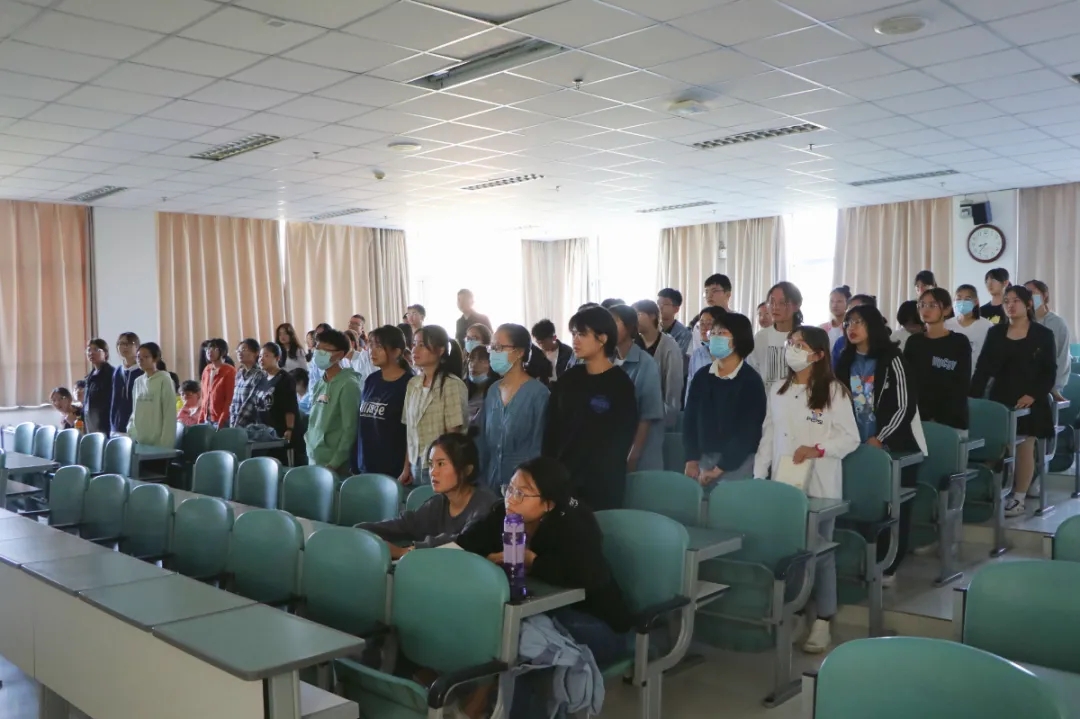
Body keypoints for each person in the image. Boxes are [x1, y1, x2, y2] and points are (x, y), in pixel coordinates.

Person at [456, 456, 633, 719]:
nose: (511, 498)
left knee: (525, 651)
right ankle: (484, 697)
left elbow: (588, 574)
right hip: (540, 614)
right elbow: (466, 543)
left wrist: (534, 561)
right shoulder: (504, 513)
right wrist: (487, 558)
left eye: (522, 492)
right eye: (510, 488)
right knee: (511, 637)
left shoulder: (575, 522)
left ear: (548, 503)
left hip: (598, 624)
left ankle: (485, 700)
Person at [753, 326, 859, 654]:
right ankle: (795, 611)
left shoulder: (834, 391)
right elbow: (769, 435)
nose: (793, 348)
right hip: (784, 484)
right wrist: (759, 477)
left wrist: (818, 449)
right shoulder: (778, 389)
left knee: (820, 552)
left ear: (818, 354)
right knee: (789, 550)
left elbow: (850, 437)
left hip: (820, 483)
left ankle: (824, 619)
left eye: (800, 344)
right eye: (791, 343)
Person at [837, 304, 927, 586]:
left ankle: (889, 563)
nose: (851, 328)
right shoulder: (844, 360)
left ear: (873, 326)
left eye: (859, 322)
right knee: (856, 504)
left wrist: (881, 437)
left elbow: (905, 406)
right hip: (855, 447)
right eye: (848, 322)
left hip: (895, 446)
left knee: (891, 507)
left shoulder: (892, 358)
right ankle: (856, 560)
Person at [971, 285, 1057, 517]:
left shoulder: (1043, 334)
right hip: (1001, 398)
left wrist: (1033, 395)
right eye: (1007, 301)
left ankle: (1019, 497)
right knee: (997, 446)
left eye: (1016, 300)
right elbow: (983, 369)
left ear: (1028, 304)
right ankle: (991, 490)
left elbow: (1049, 372)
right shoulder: (996, 333)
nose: (1010, 305)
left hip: (1031, 399)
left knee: (1024, 445)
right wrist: (972, 398)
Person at [544, 306, 638, 510]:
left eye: (582, 334)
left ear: (602, 338)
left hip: (601, 483)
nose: (575, 341)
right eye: (573, 334)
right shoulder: (569, 379)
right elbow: (551, 430)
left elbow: (622, 438)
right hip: (564, 478)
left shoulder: (620, 384)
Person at [359, 433, 496, 556]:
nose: (433, 472)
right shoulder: (438, 504)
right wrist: (361, 531)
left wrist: (403, 551)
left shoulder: (486, 505)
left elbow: (463, 542)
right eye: (431, 465)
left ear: (467, 470)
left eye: (441, 464)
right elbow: (405, 524)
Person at [684, 310, 766, 485]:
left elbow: (748, 431)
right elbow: (690, 420)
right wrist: (691, 458)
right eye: (713, 332)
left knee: (731, 501)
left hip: (738, 462)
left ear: (738, 339)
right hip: (703, 460)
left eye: (721, 333)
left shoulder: (750, 381)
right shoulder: (702, 376)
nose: (715, 337)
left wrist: (719, 468)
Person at [478, 324, 550, 489]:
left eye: (499, 347)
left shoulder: (538, 393)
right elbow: (483, 442)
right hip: (491, 482)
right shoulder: (493, 391)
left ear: (519, 352)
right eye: (492, 348)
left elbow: (539, 445)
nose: (493, 352)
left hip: (524, 486)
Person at [402, 325, 467, 487]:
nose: (415, 350)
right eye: (414, 344)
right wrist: (406, 467)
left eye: (422, 345)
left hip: (438, 466)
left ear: (440, 350)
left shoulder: (451, 384)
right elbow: (410, 430)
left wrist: (445, 469)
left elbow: (453, 436)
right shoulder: (413, 383)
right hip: (416, 463)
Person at [904, 289, 971, 431]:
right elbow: (907, 381)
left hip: (951, 419)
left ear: (946, 310)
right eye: (922, 305)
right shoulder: (914, 342)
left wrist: (938, 417)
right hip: (918, 417)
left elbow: (961, 385)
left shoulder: (959, 342)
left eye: (932, 305)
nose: (925, 309)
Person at [609, 304, 665, 472]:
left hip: (641, 454)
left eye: (615, 322)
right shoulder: (607, 361)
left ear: (629, 327)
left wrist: (633, 455)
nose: (609, 328)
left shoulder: (646, 364)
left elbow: (647, 416)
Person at [356, 325, 412, 478]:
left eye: (379, 347)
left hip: (393, 468)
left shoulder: (409, 384)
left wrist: (407, 467)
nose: (372, 351)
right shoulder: (371, 380)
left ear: (396, 351)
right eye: (371, 346)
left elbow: (411, 430)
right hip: (365, 464)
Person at [306, 329, 362, 475]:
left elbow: (350, 429)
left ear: (339, 354)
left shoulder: (348, 384)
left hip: (334, 463)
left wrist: (335, 462)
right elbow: (313, 421)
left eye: (324, 350)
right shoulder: (320, 383)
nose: (318, 353)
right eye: (317, 348)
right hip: (314, 457)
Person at [633, 299, 683, 429]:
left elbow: (673, 386)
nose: (634, 320)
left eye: (638, 314)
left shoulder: (669, 346)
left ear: (652, 316)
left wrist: (668, 418)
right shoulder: (632, 345)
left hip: (659, 418)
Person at [750, 281, 804, 388]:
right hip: (767, 397)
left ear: (796, 306)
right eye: (771, 302)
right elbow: (754, 371)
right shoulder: (760, 337)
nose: (775, 307)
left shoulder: (805, 337)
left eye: (782, 303)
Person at [1026, 279, 1071, 401]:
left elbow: (1063, 358)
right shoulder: (1023, 322)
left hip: (1051, 387)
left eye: (1032, 293)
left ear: (1044, 295)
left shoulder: (1058, 323)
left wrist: (1054, 387)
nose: (1029, 297)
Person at [127, 342, 177, 449]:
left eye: (145, 357)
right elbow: (135, 410)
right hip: (140, 441)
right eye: (138, 357)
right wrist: (131, 432)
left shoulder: (164, 379)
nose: (140, 360)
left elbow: (169, 414)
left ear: (155, 358)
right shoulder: (138, 381)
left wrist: (166, 444)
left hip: (158, 442)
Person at [253, 343, 298, 456]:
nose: (261, 359)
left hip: (280, 431)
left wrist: (289, 429)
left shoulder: (285, 379)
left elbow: (290, 407)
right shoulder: (262, 379)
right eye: (260, 356)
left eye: (266, 355)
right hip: (263, 432)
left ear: (277, 358)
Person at [945, 285, 994, 376]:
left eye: (967, 299)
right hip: (952, 376)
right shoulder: (947, 325)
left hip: (977, 376)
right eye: (959, 298)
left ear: (975, 302)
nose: (962, 302)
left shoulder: (987, 326)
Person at [229, 338, 267, 430]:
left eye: (244, 349)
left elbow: (250, 403)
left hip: (252, 426)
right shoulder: (239, 374)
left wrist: (237, 426)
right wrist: (232, 424)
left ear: (256, 353)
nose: (240, 353)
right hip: (237, 426)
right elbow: (234, 402)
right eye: (238, 350)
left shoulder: (259, 374)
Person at [111, 332, 144, 435]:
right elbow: (115, 400)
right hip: (118, 425)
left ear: (137, 346)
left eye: (129, 344)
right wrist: (113, 422)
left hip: (137, 425)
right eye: (120, 344)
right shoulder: (118, 371)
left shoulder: (143, 371)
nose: (124, 347)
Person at [831, 294, 878, 366]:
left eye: (857, 311)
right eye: (849, 311)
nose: (851, 315)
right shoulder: (841, 343)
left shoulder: (887, 350)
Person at [198, 338, 236, 428]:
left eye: (214, 349)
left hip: (221, 420)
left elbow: (229, 400)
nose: (209, 351)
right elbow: (204, 398)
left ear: (223, 352)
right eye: (208, 349)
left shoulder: (229, 371)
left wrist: (222, 420)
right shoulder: (207, 370)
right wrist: (201, 419)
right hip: (207, 419)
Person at [686, 307, 718, 403]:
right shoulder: (697, 355)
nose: (704, 328)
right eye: (702, 323)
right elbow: (690, 386)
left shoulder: (731, 355)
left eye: (709, 323)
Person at [83, 339, 113, 436]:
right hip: (90, 422)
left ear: (105, 353)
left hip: (104, 423)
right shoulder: (89, 377)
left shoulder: (111, 373)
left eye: (96, 349)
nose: (91, 353)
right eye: (89, 350)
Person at [465, 345, 499, 429]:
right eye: (471, 360)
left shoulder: (497, 393)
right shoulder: (462, 388)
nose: (474, 365)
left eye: (481, 361)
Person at [657, 288, 693, 354]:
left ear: (676, 309)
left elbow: (679, 357)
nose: (660, 307)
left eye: (665, 304)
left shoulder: (684, 334)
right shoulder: (652, 329)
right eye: (658, 303)